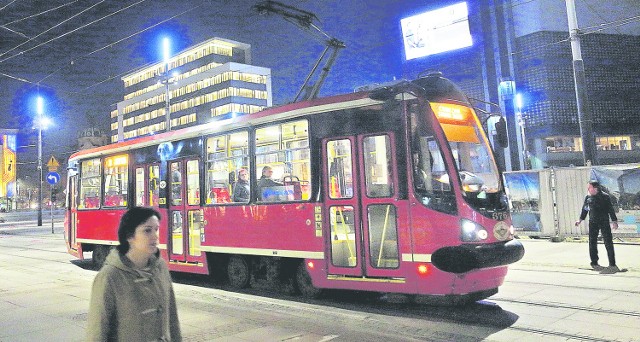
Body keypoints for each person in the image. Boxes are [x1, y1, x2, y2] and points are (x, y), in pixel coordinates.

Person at [87, 207, 182, 341]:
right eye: (147, 230)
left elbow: (172, 320)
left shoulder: (160, 267)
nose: (155, 236)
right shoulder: (110, 276)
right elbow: (96, 331)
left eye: (156, 229)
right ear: (130, 236)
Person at [575, 180, 619, 274]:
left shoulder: (605, 197)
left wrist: (614, 221)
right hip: (593, 222)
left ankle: (612, 264)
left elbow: (610, 210)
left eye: (590, 187)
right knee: (592, 242)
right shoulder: (588, 197)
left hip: (604, 222)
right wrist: (580, 220)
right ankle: (594, 262)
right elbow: (585, 209)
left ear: (596, 188)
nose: (588, 189)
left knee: (608, 242)